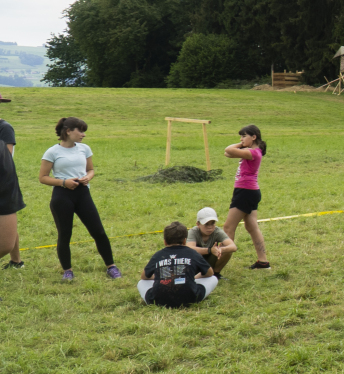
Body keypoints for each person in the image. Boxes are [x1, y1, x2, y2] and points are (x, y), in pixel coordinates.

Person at [39, 117, 120, 281]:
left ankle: (111, 266)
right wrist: (64, 182)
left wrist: (88, 177)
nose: (84, 134)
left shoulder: (85, 149)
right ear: (68, 131)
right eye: (81, 131)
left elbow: (91, 170)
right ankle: (67, 271)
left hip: (83, 194)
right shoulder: (52, 152)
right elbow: (43, 177)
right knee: (65, 234)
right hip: (62, 196)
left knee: (99, 232)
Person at [223, 125, 270, 270]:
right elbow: (227, 154)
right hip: (250, 191)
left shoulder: (253, 152)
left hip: (245, 192)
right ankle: (263, 262)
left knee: (228, 227)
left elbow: (228, 149)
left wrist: (241, 145)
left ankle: (218, 265)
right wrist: (243, 144)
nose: (241, 139)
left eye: (244, 136)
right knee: (251, 226)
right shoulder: (252, 151)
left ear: (253, 137)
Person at [138, 221, 219, 307]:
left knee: (141, 282)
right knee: (213, 278)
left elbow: (144, 277)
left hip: (159, 301)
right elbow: (209, 273)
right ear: (184, 241)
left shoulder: (158, 255)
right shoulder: (193, 253)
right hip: (190, 298)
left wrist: (160, 277)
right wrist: (193, 277)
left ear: (165, 242)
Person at [0, 93, 24, 274]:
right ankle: (16, 260)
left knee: (7, 227)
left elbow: (6, 156)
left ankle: (16, 260)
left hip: (4, 180)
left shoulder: (4, 127)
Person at [186, 207, 237, 278]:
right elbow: (189, 250)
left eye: (212, 223)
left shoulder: (217, 231)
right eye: (206, 224)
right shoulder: (192, 232)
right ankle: (195, 273)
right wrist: (209, 250)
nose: (210, 227)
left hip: (210, 260)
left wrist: (221, 249)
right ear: (198, 224)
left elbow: (233, 247)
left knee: (228, 251)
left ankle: (215, 274)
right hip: (196, 261)